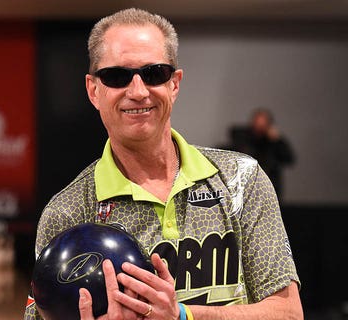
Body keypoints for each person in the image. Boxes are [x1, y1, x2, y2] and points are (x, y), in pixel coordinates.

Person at [24, 8, 302, 320]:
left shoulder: (242, 180)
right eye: (117, 77)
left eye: (154, 74)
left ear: (174, 84)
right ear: (93, 90)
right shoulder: (67, 212)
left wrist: (182, 316)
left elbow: (288, 313)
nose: (138, 91)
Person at [229, 109, 295, 199]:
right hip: (246, 185)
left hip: (269, 186)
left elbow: (289, 159)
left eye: (263, 124)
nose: (259, 127)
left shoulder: (274, 142)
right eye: (257, 123)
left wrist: (277, 141)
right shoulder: (242, 138)